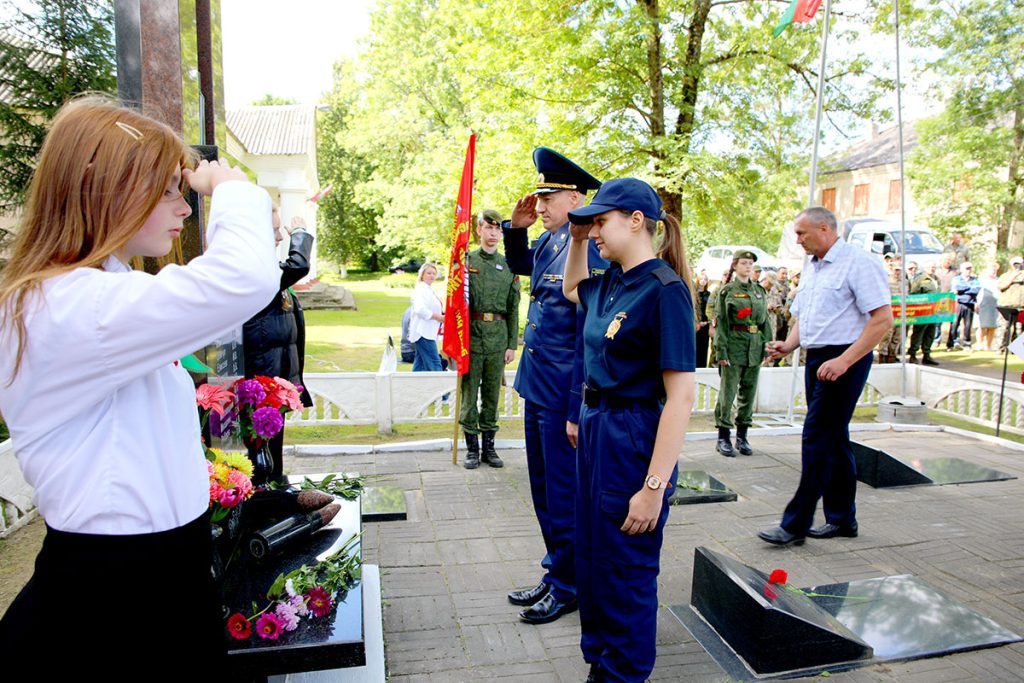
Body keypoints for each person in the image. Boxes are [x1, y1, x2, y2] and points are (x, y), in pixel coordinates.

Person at [0, 98, 280, 672]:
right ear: (106, 188)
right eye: (167, 189)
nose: (183, 205)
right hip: (116, 598)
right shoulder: (73, 305)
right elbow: (240, 280)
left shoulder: (90, 294)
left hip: (151, 577)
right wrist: (232, 192)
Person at [562, 178, 695, 683]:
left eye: (601, 221)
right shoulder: (611, 281)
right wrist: (578, 239)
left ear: (636, 221)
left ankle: (625, 673)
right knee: (593, 556)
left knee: (626, 566)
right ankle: (601, 662)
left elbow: (681, 397)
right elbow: (571, 289)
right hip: (596, 430)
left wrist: (654, 487)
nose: (594, 230)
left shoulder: (664, 291)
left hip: (633, 435)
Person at [503, 147, 606, 625]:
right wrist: (515, 229)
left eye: (549, 198)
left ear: (576, 198)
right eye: (540, 198)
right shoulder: (550, 240)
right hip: (537, 384)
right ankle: (556, 568)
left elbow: (587, 336)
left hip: (562, 391)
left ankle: (569, 585)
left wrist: (573, 408)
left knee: (563, 494)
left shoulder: (589, 249)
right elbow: (524, 267)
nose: (540, 206)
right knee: (543, 490)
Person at [759, 206, 891, 547]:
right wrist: (788, 345)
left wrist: (844, 361)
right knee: (833, 438)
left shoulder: (858, 263)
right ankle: (843, 519)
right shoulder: (813, 266)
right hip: (818, 358)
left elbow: (882, 320)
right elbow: (805, 314)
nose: (797, 240)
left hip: (846, 357)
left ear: (824, 229)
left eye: (801, 233)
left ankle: (795, 523)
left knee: (816, 437)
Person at [242, 209, 315, 485]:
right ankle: (265, 493)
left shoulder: (267, 267)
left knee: (272, 446)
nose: (279, 236)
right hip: (261, 377)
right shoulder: (255, 271)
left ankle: (274, 485)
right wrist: (300, 236)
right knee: (260, 450)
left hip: (275, 377)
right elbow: (298, 266)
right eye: (273, 230)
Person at [460, 209, 520, 469]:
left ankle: (489, 449)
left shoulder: (509, 266)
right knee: (469, 395)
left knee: (492, 394)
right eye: (488, 227)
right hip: (471, 338)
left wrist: (511, 344)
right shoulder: (466, 262)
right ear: (478, 229)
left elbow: (514, 308)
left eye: (497, 229)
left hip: (497, 338)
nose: (493, 233)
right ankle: (472, 450)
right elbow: (456, 303)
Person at [713, 251, 770, 457]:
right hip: (733, 346)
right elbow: (721, 323)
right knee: (728, 393)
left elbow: (765, 321)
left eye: (750, 263)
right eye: (744, 263)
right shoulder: (727, 291)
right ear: (735, 266)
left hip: (754, 346)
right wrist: (721, 350)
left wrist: (767, 346)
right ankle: (723, 436)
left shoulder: (759, 291)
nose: (748, 266)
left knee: (749, 392)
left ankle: (742, 436)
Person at [409, 262, 445, 371]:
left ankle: (413, 381)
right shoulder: (420, 289)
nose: (432, 276)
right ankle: (439, 382)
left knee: (419, 365)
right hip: (423, 332)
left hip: (428, 332)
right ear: (422, 274)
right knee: (435, 363)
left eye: (434, 273)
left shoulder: (428, 289)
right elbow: (420, 309)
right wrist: (439, 317)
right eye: (429, 273)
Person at [908, 262, 941, 365]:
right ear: (925, 268)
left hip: (934, 311)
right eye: (930, 267)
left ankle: (927, 354)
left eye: (934, 267)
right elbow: (914, 294)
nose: (932, 269)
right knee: (918, 333)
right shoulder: (920, 279)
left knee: (930, 332)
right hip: (922, 311)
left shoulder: (936, 279)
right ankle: (913, 354)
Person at [948, 262, 980, 351]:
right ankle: (950, 344)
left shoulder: (974, 279)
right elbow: (957, 288)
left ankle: (967, 344)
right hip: (958, 303)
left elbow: (976, 290)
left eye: (970, 268)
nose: (969, 270)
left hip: (970, 304)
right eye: (967, 268)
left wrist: (963, 290)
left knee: (968, 325)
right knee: (954, 324)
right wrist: (968, 288)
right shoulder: (956, 279)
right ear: (962, 270)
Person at [997, 256, 1024, 350]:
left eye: (1019, 264)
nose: (1017, 266)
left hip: (1021, 306)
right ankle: (1001, 348)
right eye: (1015, 264)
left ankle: (1017, 349)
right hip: (1006, 306)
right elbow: (1001, 286)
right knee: (1004, 328)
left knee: (1019, 328)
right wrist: (1013, 277)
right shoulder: (1005, 276)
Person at [977, 263, 1000, 351]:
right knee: (981, 326)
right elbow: (977, 293)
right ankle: (979, 344)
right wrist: (977, 304)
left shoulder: (999, 280)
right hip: (983, 304)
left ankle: (988, 346)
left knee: (992, 326)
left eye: (995, 270)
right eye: (992, 270)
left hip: (995, 305)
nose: (994, 272)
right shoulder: (982, 280)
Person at [694, 271, 712, 368]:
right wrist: (697, 321)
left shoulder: (709, 294)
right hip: (696, 324)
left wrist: (707, 321)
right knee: (695, 346)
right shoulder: (693, 293)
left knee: (704, 347)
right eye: (701, 279)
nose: (703, 281)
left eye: (705, 279)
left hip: (705, 324)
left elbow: (710, 309)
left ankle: (702, 367)